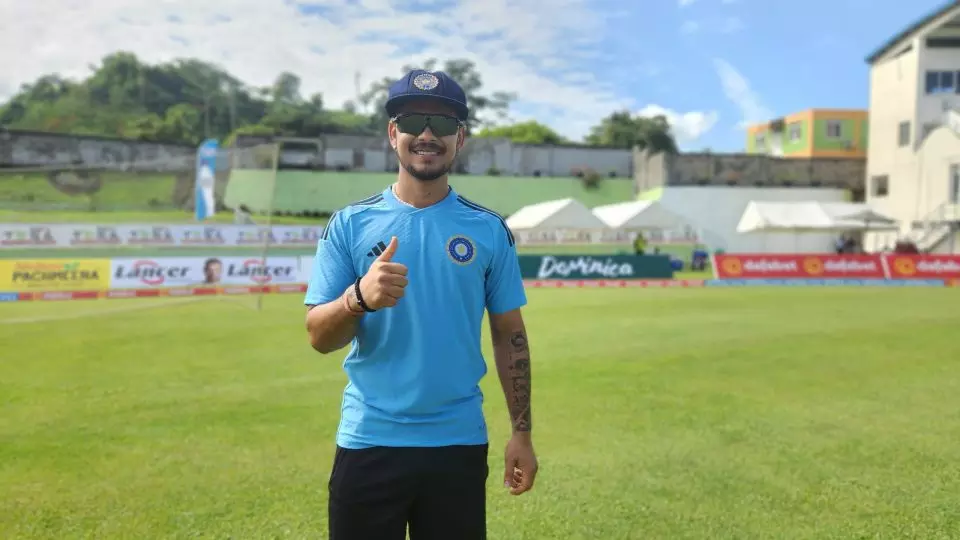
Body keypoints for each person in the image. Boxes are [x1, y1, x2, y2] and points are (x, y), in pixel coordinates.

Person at [304, 69, 538, 540]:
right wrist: (358, 299)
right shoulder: (349, 224)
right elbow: (318, 337)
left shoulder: (489, 230)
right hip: (370, 441)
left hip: (457, 443)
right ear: (394, 134)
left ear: (460, 139)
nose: (427, 134)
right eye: (412, 121)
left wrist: (522, 433)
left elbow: (509, 333)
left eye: (444, 124)